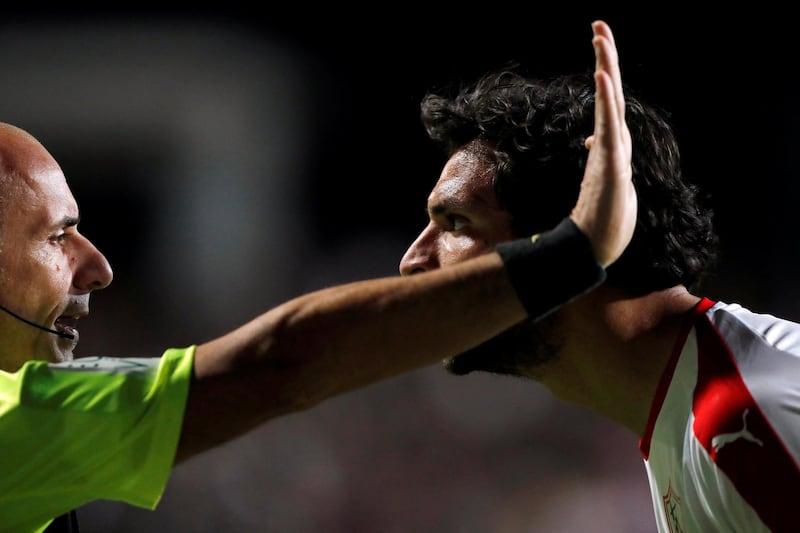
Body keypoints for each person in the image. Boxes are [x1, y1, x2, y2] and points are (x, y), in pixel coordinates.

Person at [0, 21, 632, 533]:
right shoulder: (16, 425)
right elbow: (282, 362)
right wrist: (570, 254)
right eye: (57, 237)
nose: (98, 267)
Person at [397, 19, 800, 533]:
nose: (413, 259)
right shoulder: (686, 419)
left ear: (576, 231)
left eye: (456, 223)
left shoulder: (747, 418)